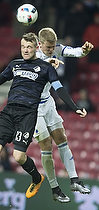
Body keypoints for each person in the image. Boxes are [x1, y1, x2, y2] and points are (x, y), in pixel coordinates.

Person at [0, 32, 87, 201]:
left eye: (29, 47)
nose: (25, 50)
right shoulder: (15, 64)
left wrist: (75, 107)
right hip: (9, 111)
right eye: (23, 46)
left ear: (36, 48)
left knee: (19, 156)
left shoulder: (46, 67)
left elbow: (59, 89)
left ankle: (38, 178)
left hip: (29, 114)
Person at [34, 28, 93, 203]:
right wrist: (48, 60)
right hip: (33, 108)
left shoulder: (56, 49)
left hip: (48, 103)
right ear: (39, 44)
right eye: (48, 47)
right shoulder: (33, 57)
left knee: (62, 138)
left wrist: (83, 50)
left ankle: (75, 180)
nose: (52, 50)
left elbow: (71, 51)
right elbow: (41, 63)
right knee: (46, 146)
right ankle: (54, 188)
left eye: (53, 47)